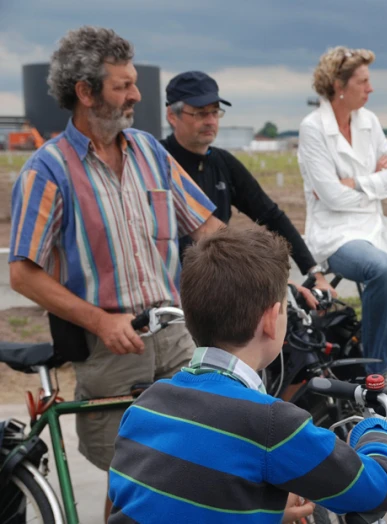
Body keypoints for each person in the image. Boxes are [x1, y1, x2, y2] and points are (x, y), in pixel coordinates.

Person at [8, 26, 223, 522]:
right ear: (86, 93)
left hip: (174, 336)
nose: (136, 94)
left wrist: (263, 271)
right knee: (131, 474)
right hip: (112, 348)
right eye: (123, 85)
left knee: (194, 457)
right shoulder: (48, 170)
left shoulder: (149, 151)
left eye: (133, 83)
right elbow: (22, 274)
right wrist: (101, 321)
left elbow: (208, 226)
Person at [108, 227, 387, 523]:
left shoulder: (145, 405)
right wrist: (374, 428)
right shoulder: (273, 424)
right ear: (270, 321)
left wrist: (266, 511)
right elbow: (383, 489)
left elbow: (185, 502)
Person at [160, 71, 335, 305]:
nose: (211, 120)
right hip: (170, 289)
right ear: (172, 115)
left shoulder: (223, 163)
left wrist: (313, 272)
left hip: (219, 281)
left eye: (215, 112)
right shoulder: (157, 161)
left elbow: (271, 216)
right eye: (200, 113)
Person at [297, 46, 387, 390]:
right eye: (363, 81)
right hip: (336, 235)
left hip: (372, 231)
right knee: (382, 268)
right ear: (338, 85)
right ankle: (374, 375)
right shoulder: (313, 128)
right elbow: (330, 196)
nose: (370, 89)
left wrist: (358, 183)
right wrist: (374, 183)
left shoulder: (369, 122)